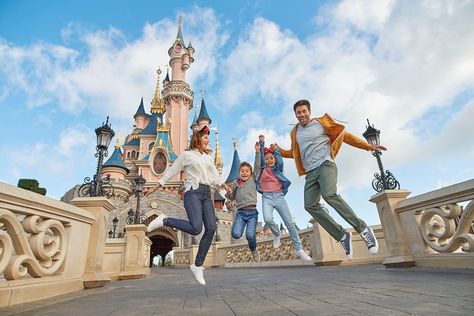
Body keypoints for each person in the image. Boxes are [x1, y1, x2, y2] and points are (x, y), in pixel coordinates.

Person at [273, 99, 387, 260]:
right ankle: (341, 235)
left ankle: (363, 229)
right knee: (310, 205)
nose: (302, 114)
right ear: (295, 115)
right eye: (299, 112)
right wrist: (280, 150)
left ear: (309, 112)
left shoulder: (321, 124)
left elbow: (345, 136)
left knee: (329, 195)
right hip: (310, 172)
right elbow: (295, 152)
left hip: (326, 164)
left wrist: (369, 147)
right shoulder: (295, 132)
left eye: (304, 111)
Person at [144, 125, 225, 285]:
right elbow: (170, 171)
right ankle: (165, 220)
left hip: (206, 193)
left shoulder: (208, 157)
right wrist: (156, 186)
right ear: (197, 139)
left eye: (208, 139)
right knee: (196, 228)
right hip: (192, 192)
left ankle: (197, 264)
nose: (207, 141)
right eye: (205, 138)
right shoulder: (186, 155)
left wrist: (224, 185)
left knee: (211, 228)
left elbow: (214, 176)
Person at [257, 135, 312, 262]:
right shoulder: (263, 169)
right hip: (267, 197)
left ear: (275, 160)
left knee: (290, 224)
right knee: (268, 219)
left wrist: (276, 150)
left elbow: (280, 161)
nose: (269, 160)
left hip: (279, 196)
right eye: (267, 159)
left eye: (271, 158)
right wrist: (262, 142)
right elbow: (260, 156)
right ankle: (277, 233)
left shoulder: (278, 168)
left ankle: (299, 249)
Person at [224, 141, 261, 262]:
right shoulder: (235, 183)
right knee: (235, 234)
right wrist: (229, 192)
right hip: (240, 213)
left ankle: (254, 250)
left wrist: (257, 152)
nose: (244, 173)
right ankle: (242, 236)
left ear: (250, 173)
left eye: (247, 171)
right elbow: (233, 195)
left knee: (250, 235)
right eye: (242, 171)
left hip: (252, 212)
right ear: (239, 173)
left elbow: (257, 166)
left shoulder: (252, 179)